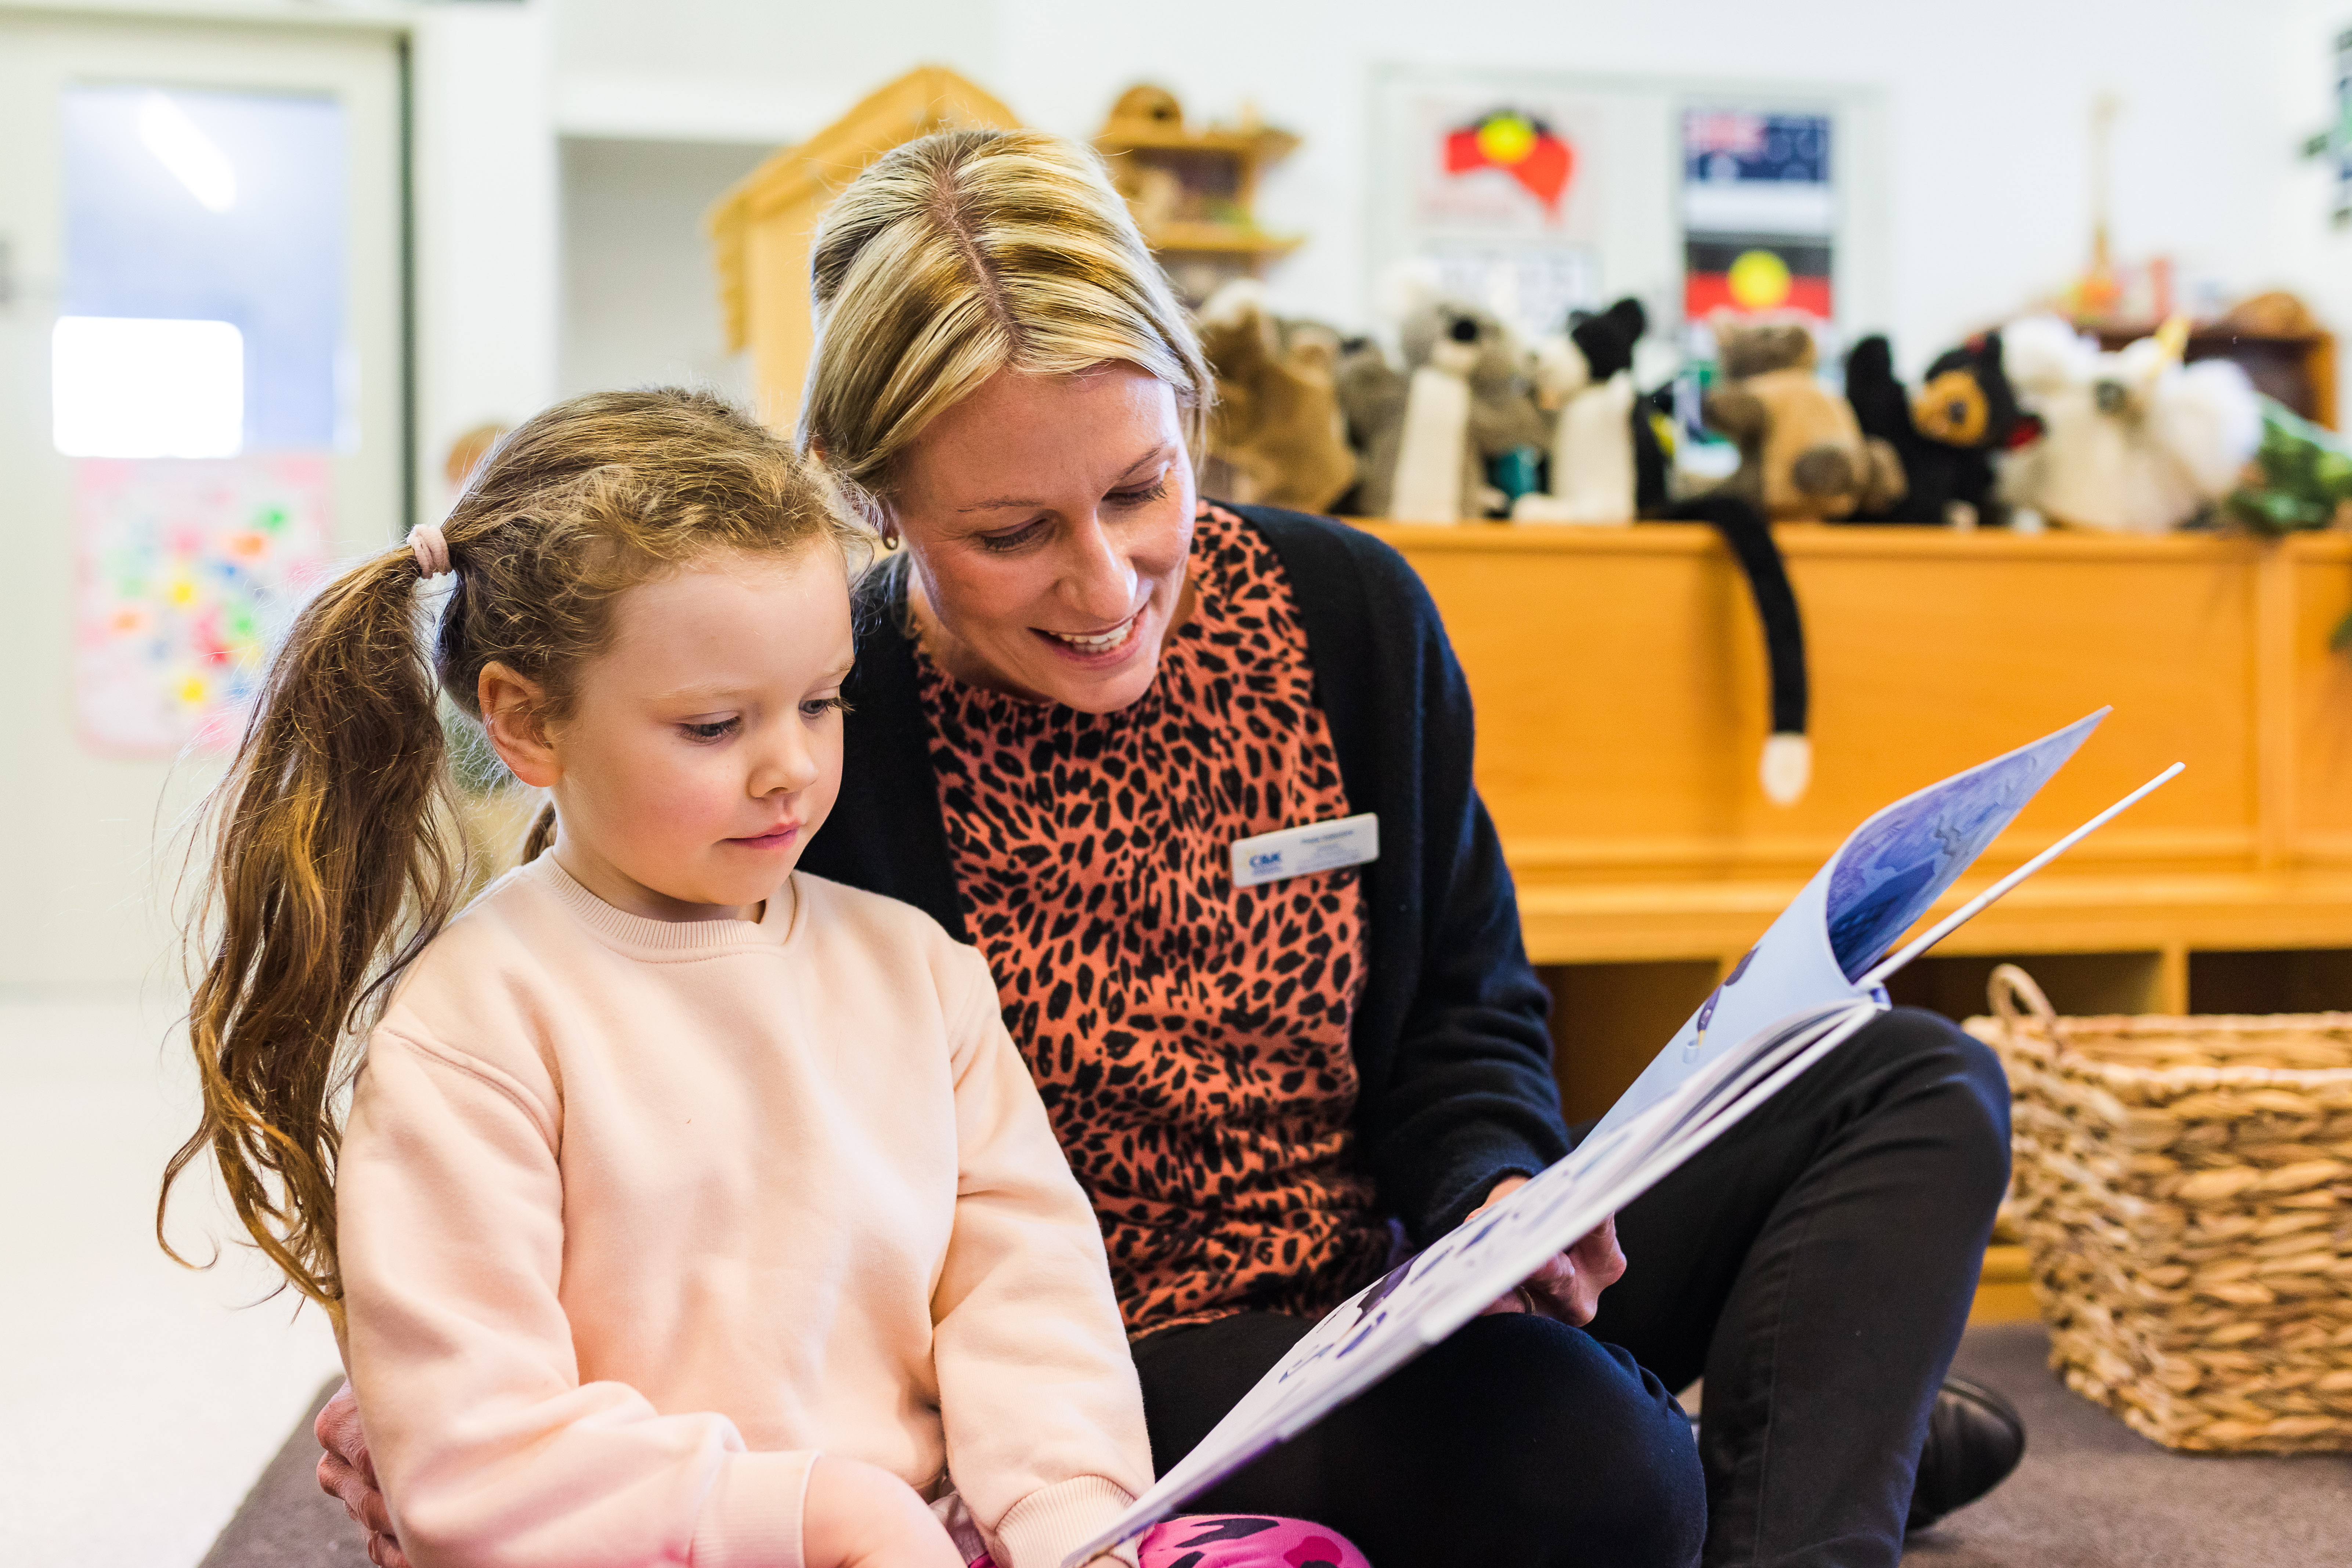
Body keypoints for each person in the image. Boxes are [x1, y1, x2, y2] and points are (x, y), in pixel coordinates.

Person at [322, 130, 2020, 1567]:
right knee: (1596, 1471)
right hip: (1113, 1371)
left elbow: (1466, 1008)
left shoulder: (1352, 613)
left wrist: (1499, 1191)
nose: (1109, 582)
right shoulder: (816, 722)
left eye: (1143, 490)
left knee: (1914, 1077)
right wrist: (430, 1390)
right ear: (874, 502)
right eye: (1010, 533)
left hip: (1412, 1277)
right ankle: (1798, 1447)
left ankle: (1777, 1485)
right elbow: (673, 1095)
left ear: (1196, 413)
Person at [162, 389, 1371, 1568]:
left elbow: (1026, 1296)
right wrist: (829, 1519)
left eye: (820, 701)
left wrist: (1067, 1522)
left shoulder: (918, 973)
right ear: (528, 725)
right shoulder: (476, 1024)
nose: (791, 767)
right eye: (713, 727)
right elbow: (477, 1462)